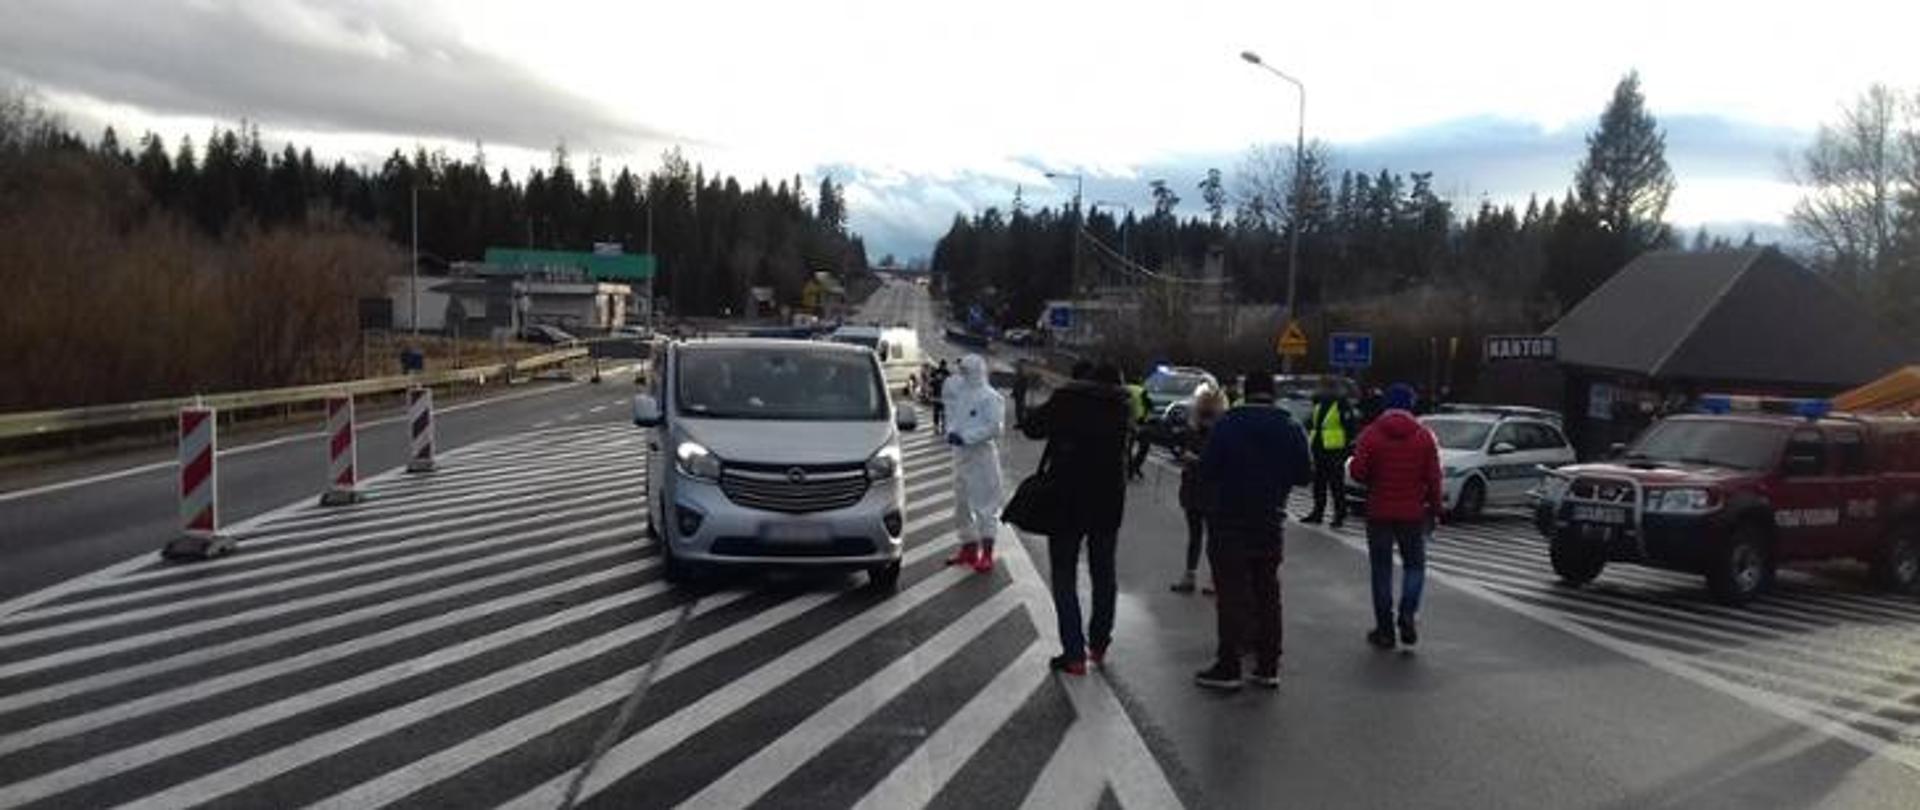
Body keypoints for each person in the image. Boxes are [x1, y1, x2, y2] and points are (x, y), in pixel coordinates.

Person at [1193, 370, 1312, 691]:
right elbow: (1304, 475)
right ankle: (1268, 665)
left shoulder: (1228, 424)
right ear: (1273, 393)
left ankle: (1229, 666)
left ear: (1246, 392)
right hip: (1270, 521)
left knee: (1231, 594)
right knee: (1268, 593)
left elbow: (1207, 470)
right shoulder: (1291, 426)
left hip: (1229, 520)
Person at [1022, 362, 1132, 675]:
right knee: (1104, 574)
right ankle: (1098, 645)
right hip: (1109, 501)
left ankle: (1073, 654)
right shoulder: (1122, 406)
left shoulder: (1068, 399)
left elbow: (1032, 427)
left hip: (1067, 499)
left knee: (1064, 574)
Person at [1348, 383, 1443, 650]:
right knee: (1414, 566)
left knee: (1381, 570)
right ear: (1411, 405)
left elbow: (1358, 472)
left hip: (1379, 511)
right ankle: (1407, 613)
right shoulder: (1424, 436)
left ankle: (1385, 631)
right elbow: (1434, 477)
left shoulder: (1371, 434)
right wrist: (1435, 509)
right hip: (1412, 513)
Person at [943, 355, 1006, 573]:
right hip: (961, 457)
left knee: (985, 506)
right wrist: (951, 433)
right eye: (961, 371)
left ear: (977, 371)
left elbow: (994, 428)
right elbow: (953, 419)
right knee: (961, 506)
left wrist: (967, 437)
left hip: (982, 458)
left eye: (966, 371)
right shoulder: (961, 394)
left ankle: (987, 553)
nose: (962, 375)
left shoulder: (990, 397)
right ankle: (968, 548)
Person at [1171, 386, 1228, 594]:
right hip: (1202, 489)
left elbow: (1214, 462)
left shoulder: (1209, 433)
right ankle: (1203, 577)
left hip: (1202, 488)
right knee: (1205, 535)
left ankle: (1199, 576)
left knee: (1204, 536)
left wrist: (1193, 459)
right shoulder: (1216, 432)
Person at [1301, 380, 1359, 528]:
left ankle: (1339, 514)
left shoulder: (1341, 405)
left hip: (1335, 450)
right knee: (1319, 484)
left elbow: (1350, 427)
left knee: (1336, 485)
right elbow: (1311, 423)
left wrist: (1346, 450)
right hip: (1319, 448)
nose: (1320, 390)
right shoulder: (1319, 404)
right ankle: (1318, 512)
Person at [1125, 376, 1151, 480]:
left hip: (1126, 423)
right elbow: (1147, 408)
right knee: (1144, 447)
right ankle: (1134, 467)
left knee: (1127, 448)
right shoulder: (1142, 391)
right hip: (1139, 423)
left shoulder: (1124, 388)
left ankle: (1129, 467)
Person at [928, 360, 951, 432]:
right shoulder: (936, 372)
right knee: (937, 413)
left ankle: (942, 426)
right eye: (943, 366)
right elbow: (930, 383)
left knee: (942, 413)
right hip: (938, 397)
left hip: (942, 397)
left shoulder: (947, 373)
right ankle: (937, 427)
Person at [1010, 360, 1031, 428]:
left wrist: (1016, 392)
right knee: (1019, 408)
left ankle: (1022, 422)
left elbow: (1020, 385)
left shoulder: (1023, 376)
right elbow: (1016, 384)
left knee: (1020, 408)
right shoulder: (1021, 374)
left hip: (1020, 393)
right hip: (1019, 393)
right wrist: (1014, 392)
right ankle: (1020, 422)